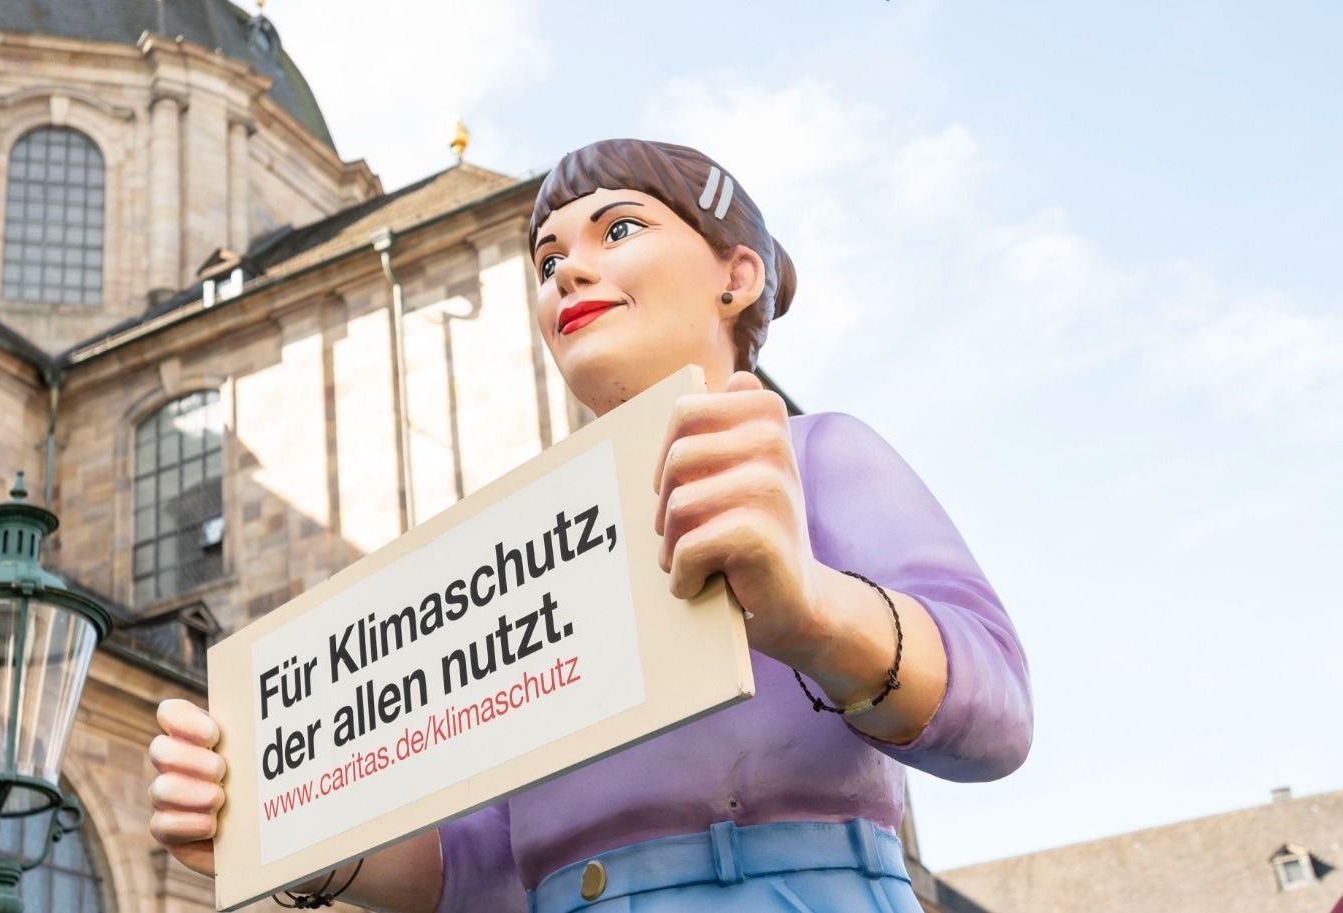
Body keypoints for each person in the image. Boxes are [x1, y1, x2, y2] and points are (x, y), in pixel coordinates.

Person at [149, 138, 1033, 912]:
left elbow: (996, 712)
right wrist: (290, 828)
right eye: (545, 260)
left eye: (618, 231)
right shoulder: (530, 548)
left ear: (738, 274)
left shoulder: (820, 456)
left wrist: (812, 612)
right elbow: (493, 867)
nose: (567, 272)